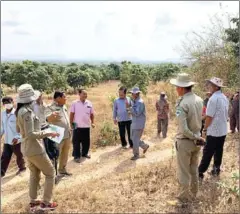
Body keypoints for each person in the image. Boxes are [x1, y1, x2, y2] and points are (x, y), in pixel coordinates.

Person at [15, 84, 59, 211]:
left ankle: (33, 201)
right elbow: (31, 134)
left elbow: (19, 130)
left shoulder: (19, 111)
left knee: (34, 173)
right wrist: (48, 133)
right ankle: (46, 203)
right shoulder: (27, 112)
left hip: (26, 148)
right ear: (30, 98)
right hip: (35, 148)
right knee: (50, 173)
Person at [167, 73, 205, 206]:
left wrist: (194, 137)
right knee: (194, 169)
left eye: (177, 87)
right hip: (197, 142)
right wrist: (198, 137)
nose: (176, 89)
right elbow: (202, 119)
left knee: (184, 171)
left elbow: (183, 129)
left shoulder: (182, 104)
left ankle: (183, 199)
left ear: (182, 88)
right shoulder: (199, 100)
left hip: (186, 141)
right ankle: (194, 194)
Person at [199, 77, 229, 180]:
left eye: (210, 85)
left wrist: (205, 129)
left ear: (216, 87)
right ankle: (216, 170)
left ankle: (200, 172)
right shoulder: (224, 97)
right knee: (219, 150)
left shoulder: (213, 99)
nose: (209, 86)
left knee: (208, 151)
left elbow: (209, 117)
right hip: (223, 130)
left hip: (214, 131)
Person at [45, 91, 72, 176]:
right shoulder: (50, 107)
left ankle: (62, 169)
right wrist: (50, 116)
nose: (66, 98)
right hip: (57, 135)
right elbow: (47, 120)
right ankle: (53, 174)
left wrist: (70, 127)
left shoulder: (64, 106)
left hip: (67, 134)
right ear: (58, 98)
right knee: (55, 155)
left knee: (65, 153)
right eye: (64, 97)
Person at [33, 91, 59, 175]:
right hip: (39, 130)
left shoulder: (43, 104)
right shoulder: (32, 106)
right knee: (46, 150)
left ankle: (55, 170)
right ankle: (49, 171)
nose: (40, 97)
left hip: (47, 127)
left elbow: (47, 111)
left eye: (40, 96)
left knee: (55, 148)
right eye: (38, 96)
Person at [1, 96, 26, 177]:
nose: (7, 105)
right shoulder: (2, 114)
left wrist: (18, 137)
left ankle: (22, 169)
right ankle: (1, 171)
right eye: (5, 103)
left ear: (12, 103)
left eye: (9, 103)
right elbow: (2, 126)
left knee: (19, 155)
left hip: (16, 139)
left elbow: (22, 127)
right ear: (3, 104)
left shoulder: (17, 114)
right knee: (5, 156)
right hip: (7, 140)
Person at [70, 89, 95, 163]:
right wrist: (71, 124)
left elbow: (92, 114)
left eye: (86, 94)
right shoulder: (74, 103)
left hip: (86, 125)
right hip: (76, 125)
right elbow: (72, 114)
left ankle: (85, 153)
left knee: (86, 141)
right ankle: (76, 156)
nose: (85, 95)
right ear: (79, 94)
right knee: (76, 142)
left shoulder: (89, 103)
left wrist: (93, 122)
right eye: (84, 94)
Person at [126, 87, 149, 161]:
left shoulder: (140, 102)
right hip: (134, 122)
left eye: (133, 93)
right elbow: (133, 111)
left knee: (135, 139)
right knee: (132, 138)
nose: (132, 94)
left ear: (136, 94)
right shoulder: (135, 101)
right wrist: (129, 109)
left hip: (139, 123)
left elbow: (137, 113)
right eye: (132, 93)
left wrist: (130, 108)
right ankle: (144, 146)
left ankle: (136, 155)